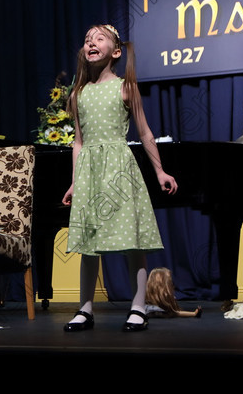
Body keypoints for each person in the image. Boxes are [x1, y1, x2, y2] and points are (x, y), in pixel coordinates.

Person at [61, 24, 177, 332]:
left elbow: (145, 131)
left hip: (118, 168)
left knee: (131, 241)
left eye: (99, 38)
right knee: (88, 243)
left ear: (115, 51)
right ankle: (85, 309)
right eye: (87, 39)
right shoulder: (79, 92)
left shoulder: (126, 86)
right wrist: (75, 181)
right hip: (89, 171)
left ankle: (137, 306)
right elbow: (78, 142)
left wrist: (160, 170)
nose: (91, 43)